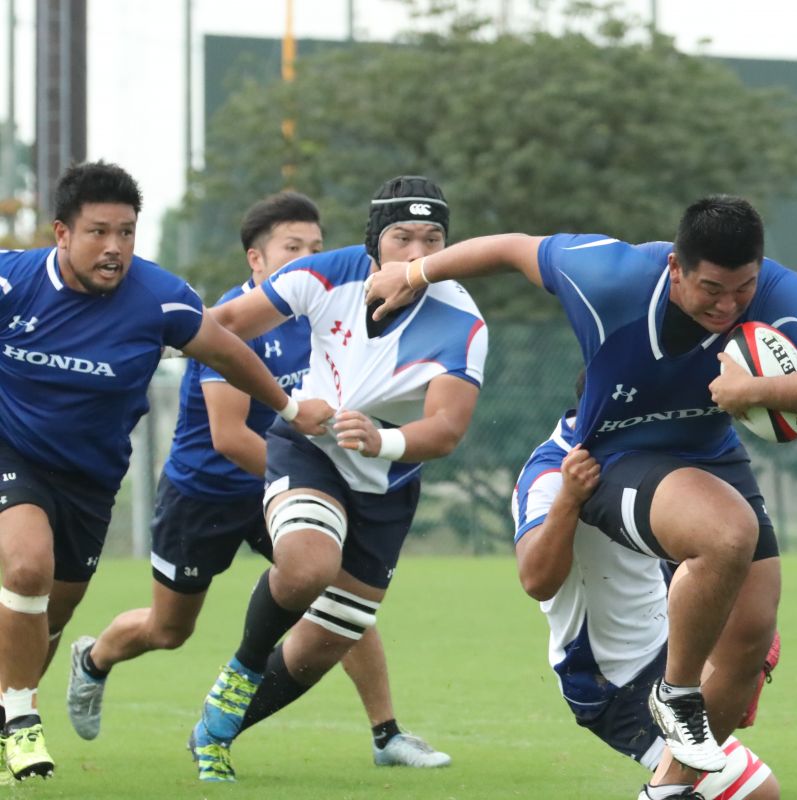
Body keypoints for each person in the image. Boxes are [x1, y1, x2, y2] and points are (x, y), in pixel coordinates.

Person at [367, 196, 797, 798]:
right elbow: (511, 247)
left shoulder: (779, 291)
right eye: (711, 288)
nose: (728, 304)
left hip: (709, 454)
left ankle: (667, 788)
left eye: (742, 288)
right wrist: (414, 272)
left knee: (753, 634)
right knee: (725, 535)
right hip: (614, 453)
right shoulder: (607, 277)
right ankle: (677, 693)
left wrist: (760, 389)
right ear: (675, 268)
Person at [63, 191, 449, 768]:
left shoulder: (323, 310)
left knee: (337, 592)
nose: (308, 260)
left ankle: (386, 734)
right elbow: (229, 436)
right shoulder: (226, 322)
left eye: (315, 248)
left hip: (293, 482)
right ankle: (94, 659)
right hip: (208, 492)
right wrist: (303, 482)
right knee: (169, 629)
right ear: (256, 261)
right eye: (293, 249)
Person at [0, 162, 331, 781]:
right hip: (13, 454)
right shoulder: (11, 282)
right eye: (98, 232)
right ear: (60, 234)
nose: (115, 248)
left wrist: (289, 409)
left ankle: (9, 715)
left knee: (51, 617)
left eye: (126, 233)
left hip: (92, 481)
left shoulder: (162, 298)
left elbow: (230, 353)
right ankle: (21, 722)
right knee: (26, 565)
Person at [186, 175, 487, 782]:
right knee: (305, 566)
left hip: (389, 484)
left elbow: (448, 430)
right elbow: (225, 323)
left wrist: (384, 440)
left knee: (323, 645)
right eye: (402, 237)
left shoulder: (462, 319)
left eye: (433, 239)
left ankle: (215, 730)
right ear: (375, 241)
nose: (417, 254)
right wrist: (155, 336)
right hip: (310, 451)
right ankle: (239, 673)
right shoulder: (327, 273)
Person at [513, 408, 781, 800]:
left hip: (669, 654)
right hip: (615, 677)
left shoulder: (647, 452)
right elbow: (536, 580)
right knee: (754, 792)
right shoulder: (553, 473)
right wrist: (569, 500)